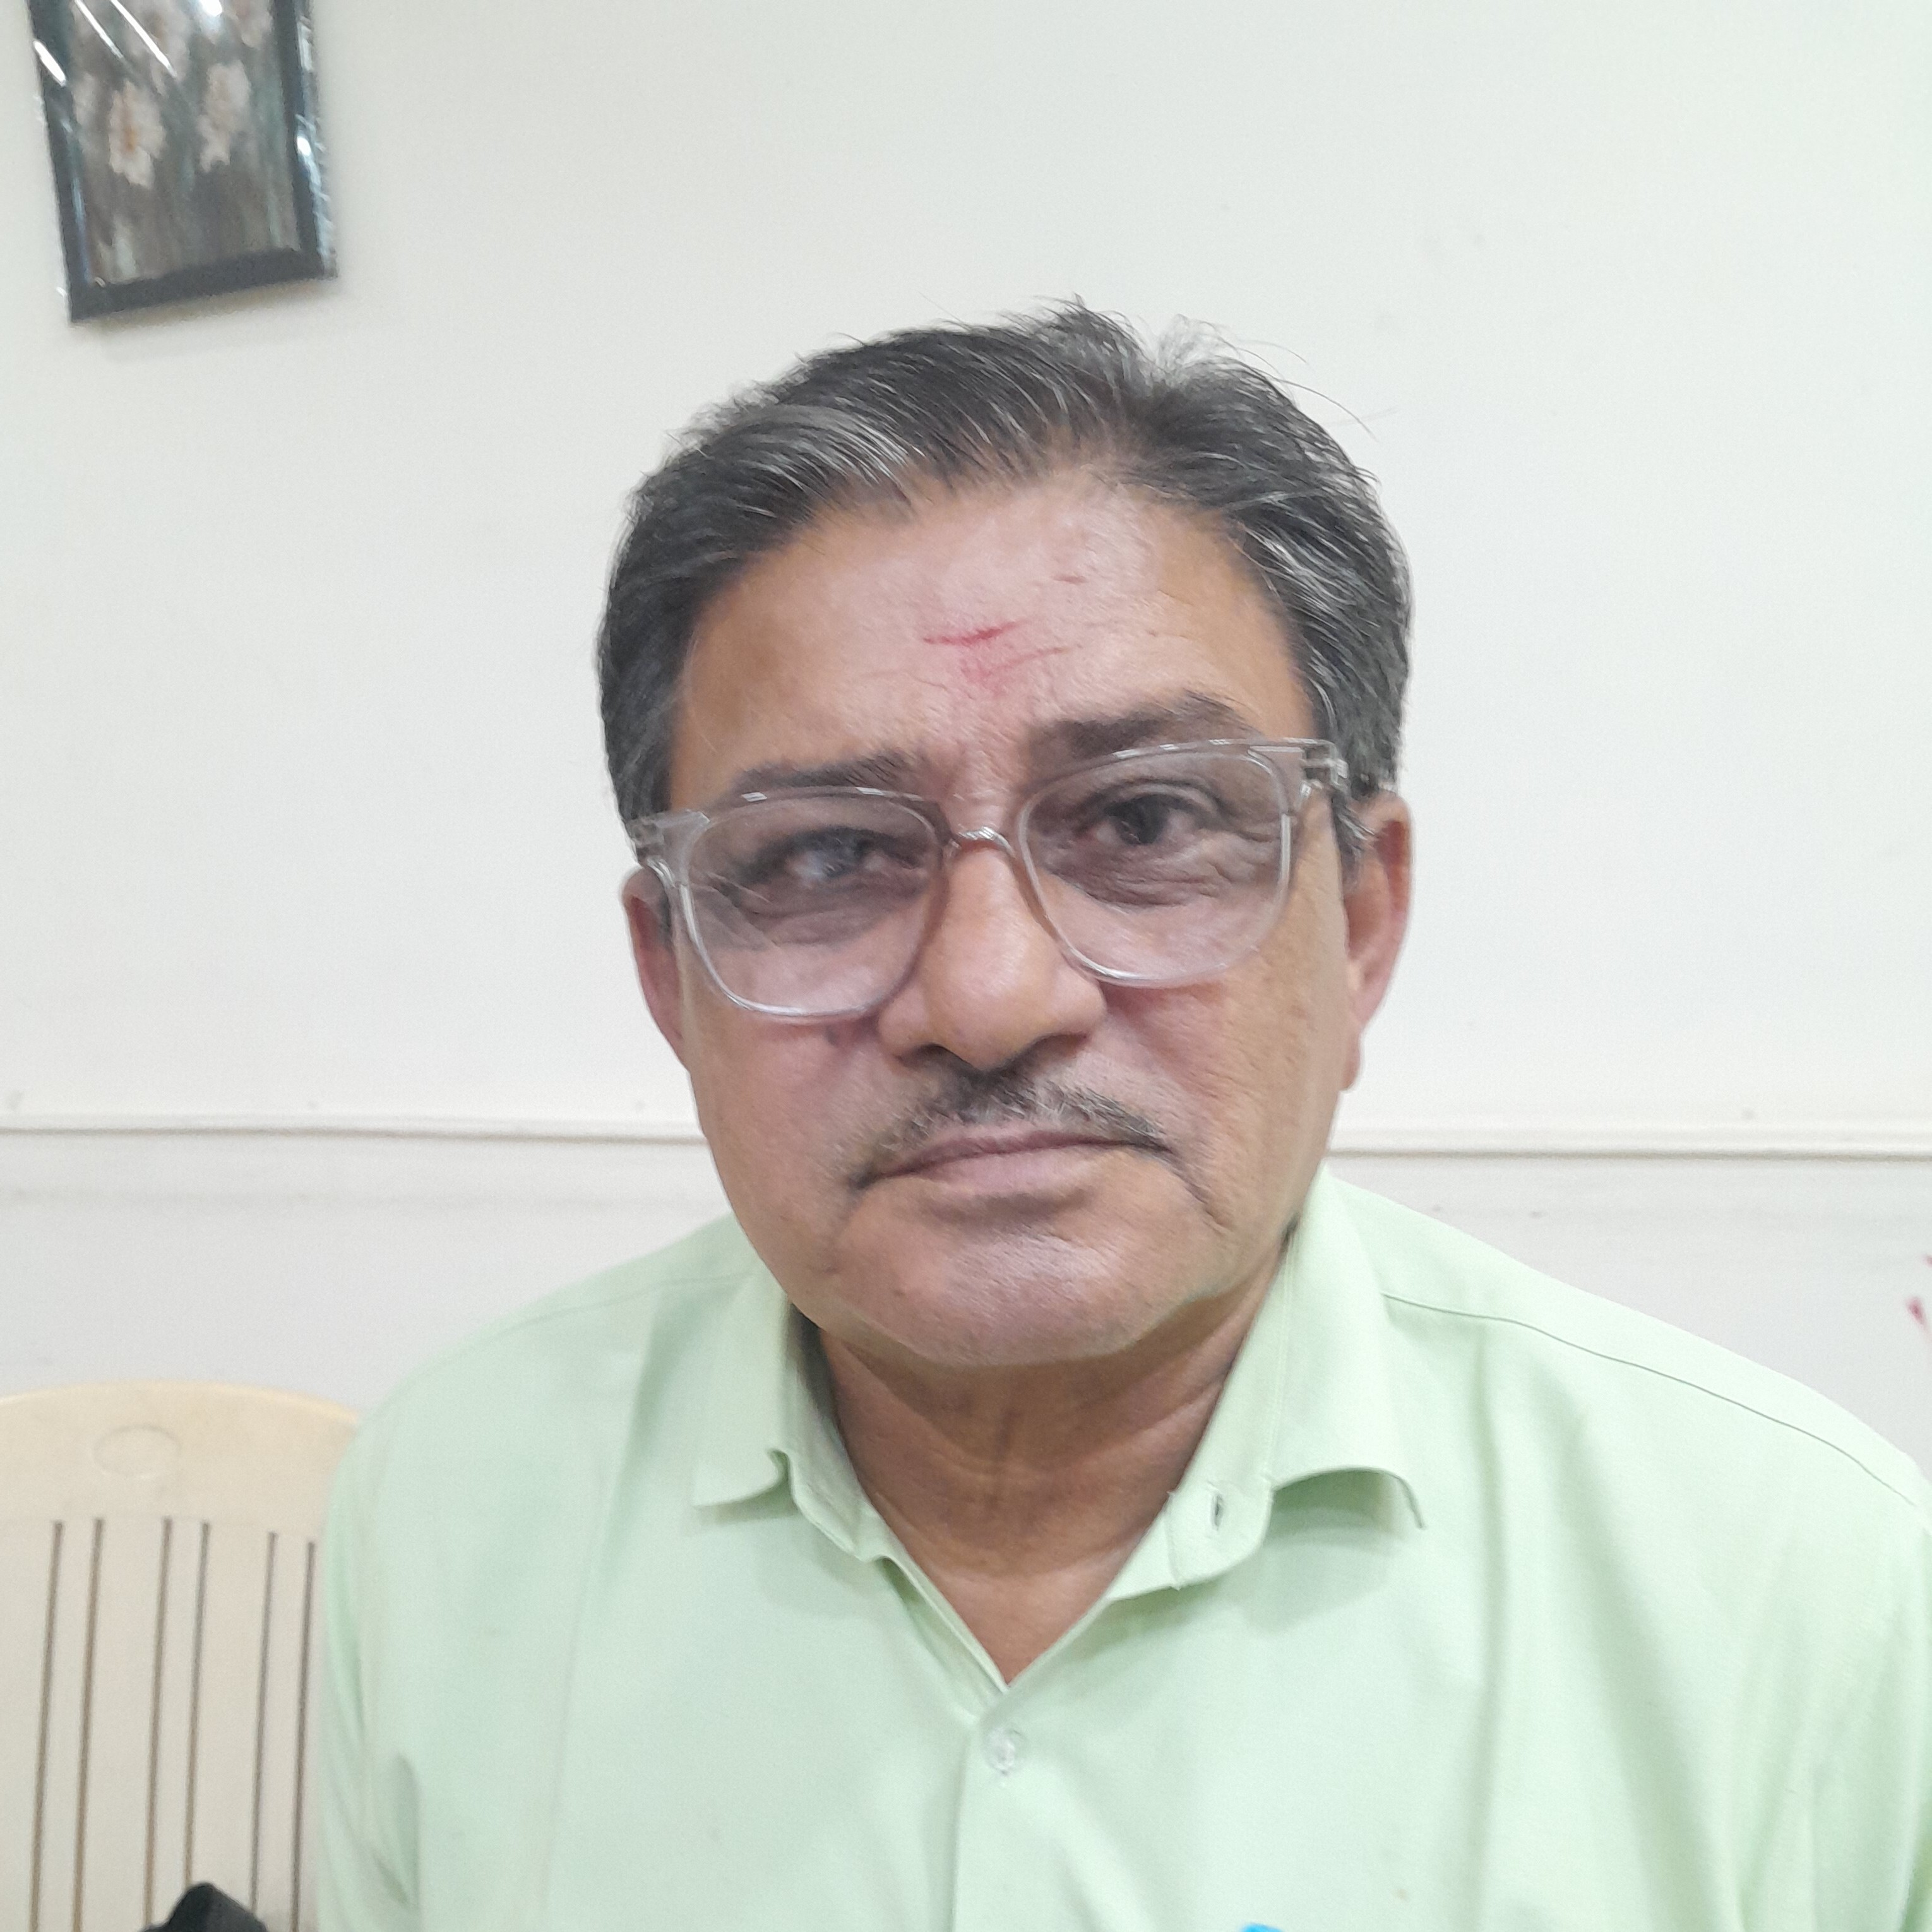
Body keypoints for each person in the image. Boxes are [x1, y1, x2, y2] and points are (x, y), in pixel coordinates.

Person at [318, 307, 1930, 1929]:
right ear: (671, 976)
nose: (988, 995)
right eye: (823, 856)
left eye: (1146, 820)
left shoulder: (1800, 1588)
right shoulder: (453, 1508)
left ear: (1361, 923)